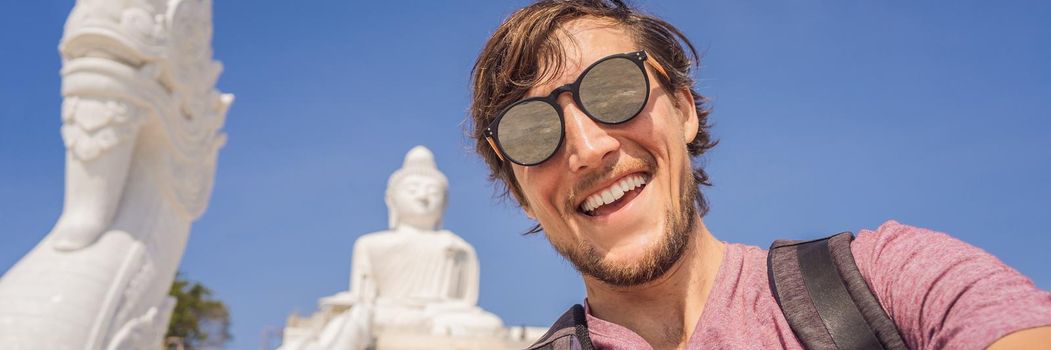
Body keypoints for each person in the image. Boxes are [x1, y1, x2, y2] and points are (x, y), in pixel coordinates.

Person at [466, 1, 1051, 349]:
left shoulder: (884, 281)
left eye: (615, 90)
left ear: (685, 110)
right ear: (520, 195)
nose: (588, 149)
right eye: (531, 135)